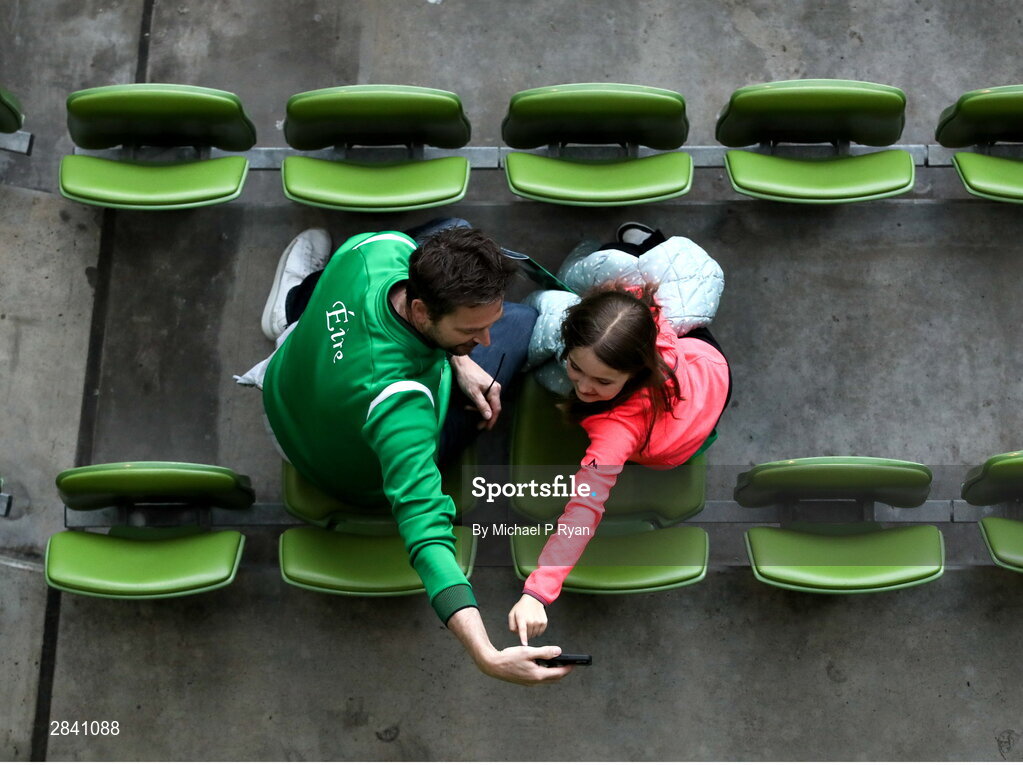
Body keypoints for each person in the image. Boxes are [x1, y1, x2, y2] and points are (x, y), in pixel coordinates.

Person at [251, 219, 571, 685]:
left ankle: (291, 307)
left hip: (287, 382)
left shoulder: (376, 248)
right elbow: (424, 531)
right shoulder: (400, 406)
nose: (483, 340)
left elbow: (422, 285)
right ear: (421, 313)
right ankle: (291, 310)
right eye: (469, 330)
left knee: (453, 228)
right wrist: (485, 653)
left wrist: (457, 357)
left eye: (485, 326)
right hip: (347, 466)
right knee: (522, 322)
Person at [507, 223, 732, 644]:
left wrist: (538, 593)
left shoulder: (616, 431)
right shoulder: (649, 325)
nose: (585, 387)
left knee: (554, 337)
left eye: (603, 382)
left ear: (638, 371)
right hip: (705, 371)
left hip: (679, 422)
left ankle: (617, 250)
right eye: (576, 367)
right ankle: (645, 242)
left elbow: (582, 511)